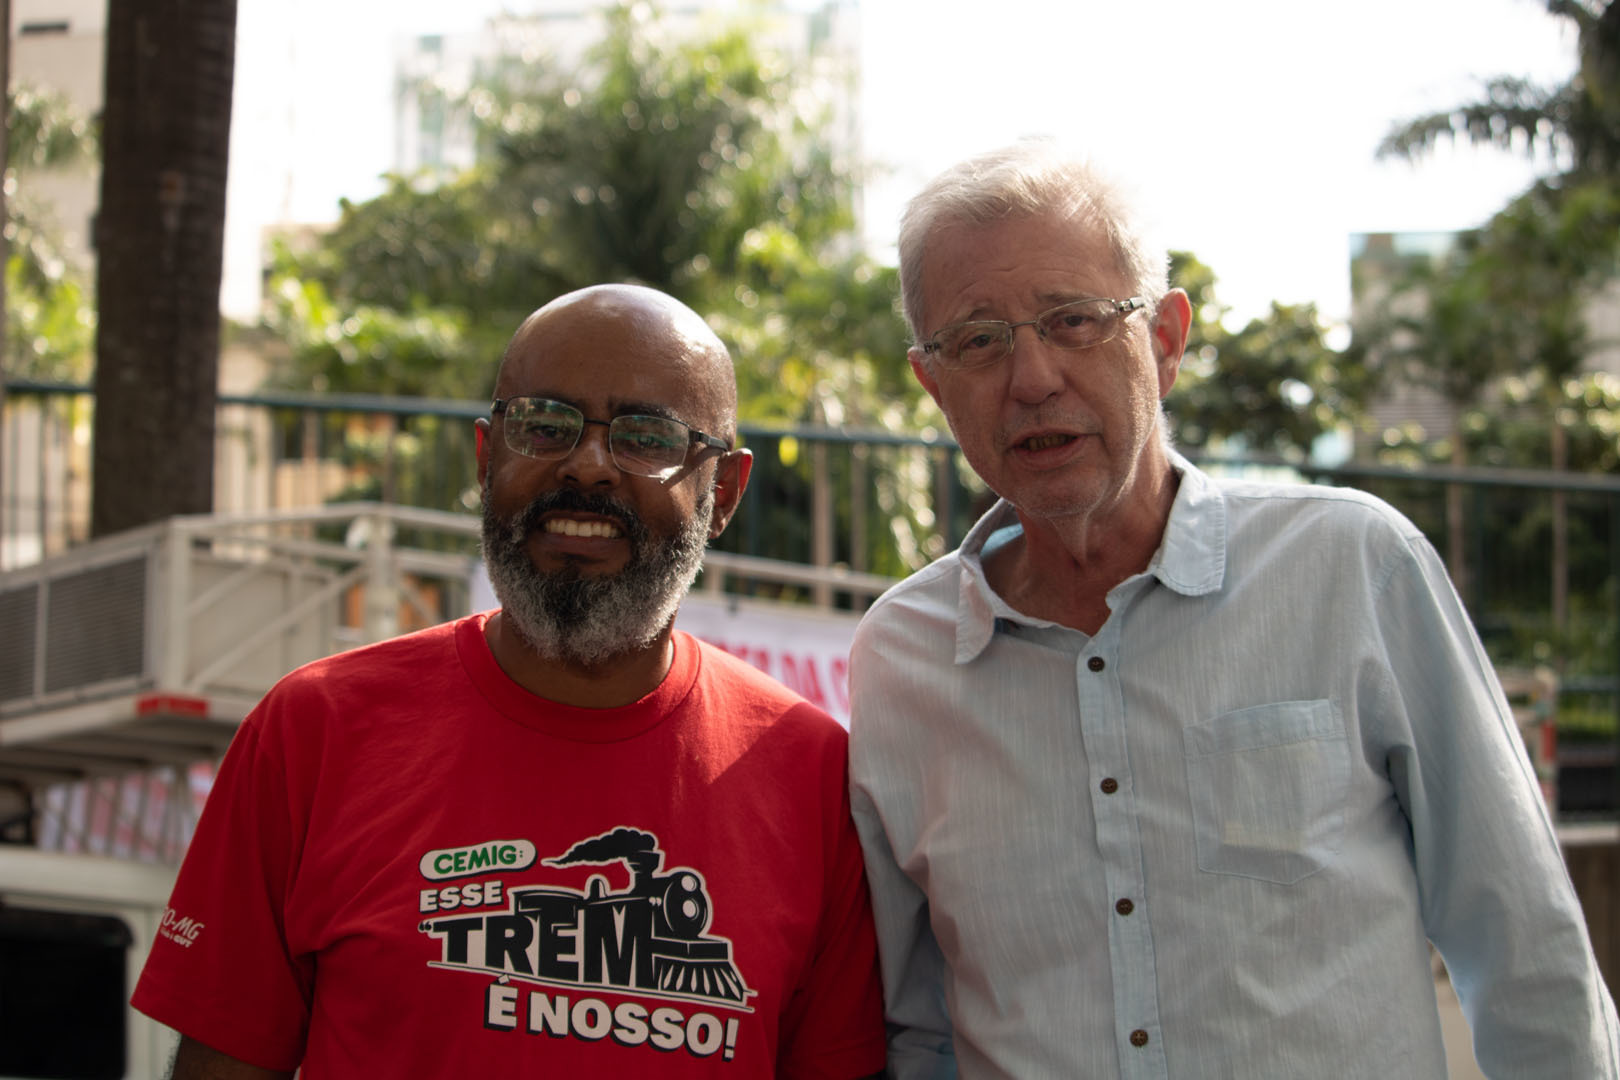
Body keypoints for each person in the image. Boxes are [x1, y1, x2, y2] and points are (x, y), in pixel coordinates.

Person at [847, 142, 1620, 1079]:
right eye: (978, 341)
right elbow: (917, 1031)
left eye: (1074, 320)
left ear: (1165, 340)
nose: (1034, 377)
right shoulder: (903, 659)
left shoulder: (1351, 569)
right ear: (933, 383)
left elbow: (1527, 950)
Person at [133, 284, 887, 1079]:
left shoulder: (812, 781)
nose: (587, 465)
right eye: (545, 424)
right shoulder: (313, 733)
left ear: (723, 492)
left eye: (645, 437)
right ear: (488, 456)